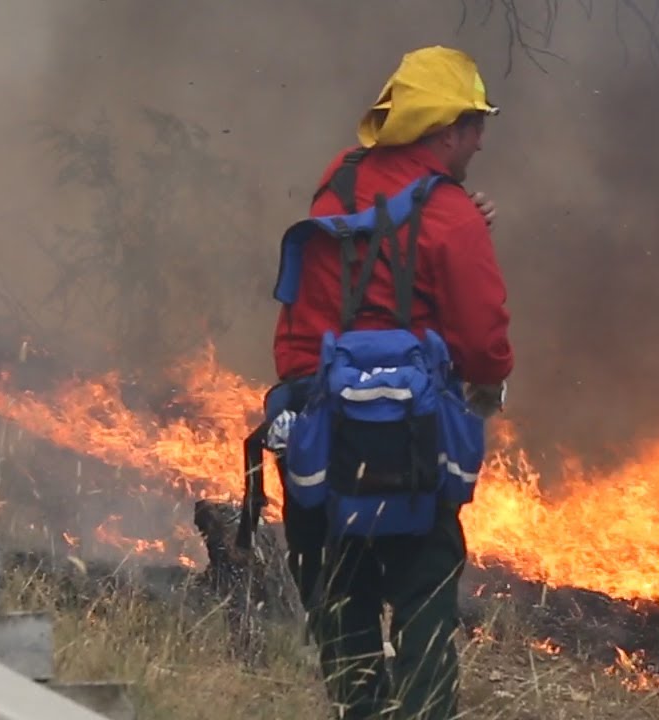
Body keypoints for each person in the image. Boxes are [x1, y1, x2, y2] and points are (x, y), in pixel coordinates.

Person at [264, 45, 514, 720]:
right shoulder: (453, 214)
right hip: (415, 444)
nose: (482, 139)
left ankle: (362, 710)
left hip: (321, 427)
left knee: (337, 591)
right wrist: (487, 389)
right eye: (474, 125)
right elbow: (485, 341)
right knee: (423, 598)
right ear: (445, 130)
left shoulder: (338, 182)